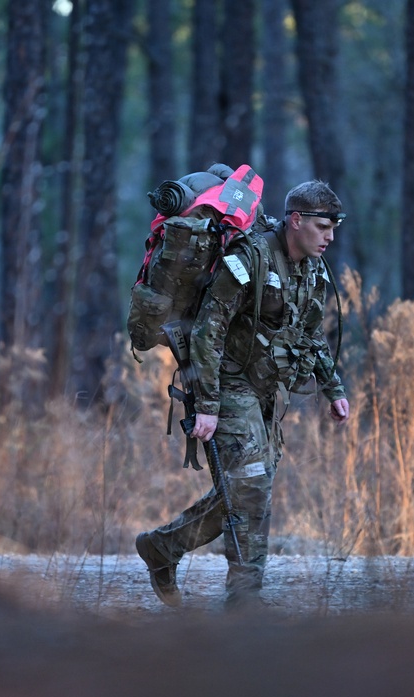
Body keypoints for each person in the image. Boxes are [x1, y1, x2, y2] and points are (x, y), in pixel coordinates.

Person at [135, 180, 350, 608]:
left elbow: (310, 334)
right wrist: (207, 406)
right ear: (296, 220)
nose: (329, 237)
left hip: (266, 391)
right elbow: (208, 332)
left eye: (333, 229)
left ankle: (163, 546)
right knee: (250, 488)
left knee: (248, 488)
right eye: (323, 227)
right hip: (226, 385)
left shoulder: (313, 269)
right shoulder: (249, 257)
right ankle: (244, 601)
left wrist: (333, 387)